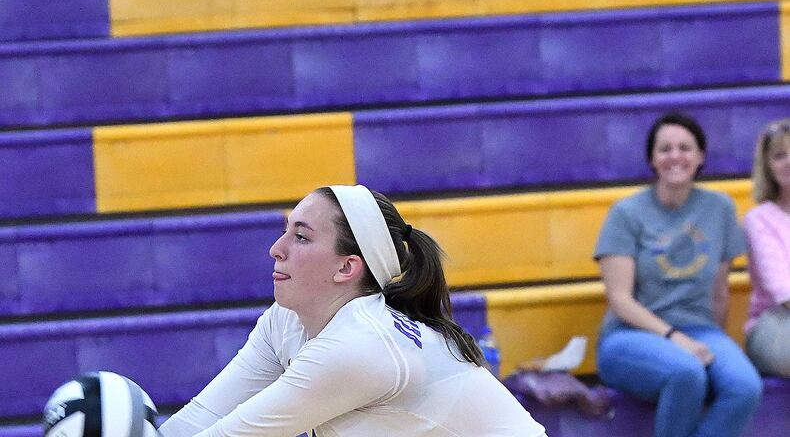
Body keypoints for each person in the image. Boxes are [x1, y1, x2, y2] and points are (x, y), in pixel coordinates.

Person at [158, 185, 546, 437]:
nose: (276, 249)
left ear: (347, 268)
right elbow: (202, 416)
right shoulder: (286, 318)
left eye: (301, 237)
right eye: (286, 230)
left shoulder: (359, 345)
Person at [593, 113, 762, 437]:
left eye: (685, 148)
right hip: (629, 336)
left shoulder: (720, 208)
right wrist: (675, 338)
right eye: (665, 149)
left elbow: (719, 291)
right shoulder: (626, 213)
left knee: (744, 386)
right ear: (652, 159)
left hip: (700, 329)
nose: (675, 156)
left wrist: (717, 347)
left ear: (701, 157)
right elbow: (620, 300)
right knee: (686, 372)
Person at [743, 119, 790, 377]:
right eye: (779, 156)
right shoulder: (758, 219)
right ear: (768, 166)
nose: (789, 162)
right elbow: (782, 290)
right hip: (774, 323)